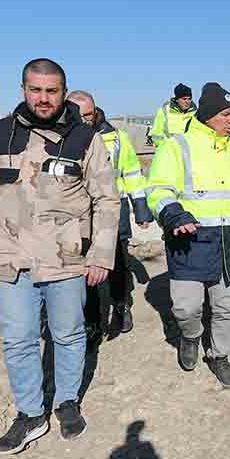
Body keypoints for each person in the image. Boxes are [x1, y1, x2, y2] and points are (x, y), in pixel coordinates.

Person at [0, 58, 121, 453]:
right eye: (36, 90)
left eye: (52, 91)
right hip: (10, 256)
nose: (43, 98)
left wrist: (101, 255)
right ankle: (30, 414)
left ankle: (66, 401)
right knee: (18, 339)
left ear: (63, 92)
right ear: (23, 90)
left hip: (64, 258)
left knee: (67, 334)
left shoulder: (85, 139)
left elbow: (106, 200)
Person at [146, 82, 230, 387]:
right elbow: (158, 190)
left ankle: (219, 355)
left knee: (226, 307)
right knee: (186, 307)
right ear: (207, 116)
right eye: (225, 114)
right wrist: (174, 214)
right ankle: (191, 335)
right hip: (190, 241)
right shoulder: (176, 147)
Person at [67, 91, 152, 339]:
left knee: (116, 263)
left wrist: (141, 208)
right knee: (83, 267)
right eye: (80, 115)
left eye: (89, 114)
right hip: (79, 213)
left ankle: (121, 304)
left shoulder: (116, 136)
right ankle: (92, 320)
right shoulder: (63, 137)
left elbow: (132, 172)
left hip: (113, 209)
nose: (86, 119)